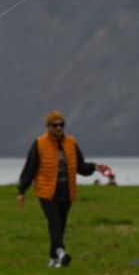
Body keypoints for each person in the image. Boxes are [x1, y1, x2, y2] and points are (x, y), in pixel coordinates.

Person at [17, 110, 97, 267]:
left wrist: (94, 167)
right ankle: (61, 252)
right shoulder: (39, 144)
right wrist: (22, 190)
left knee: (61, 225)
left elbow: (80, 166)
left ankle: (53, 259)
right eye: (55, 125)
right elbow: (30, 168)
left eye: (61, 125)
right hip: (46, 192)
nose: (59, 128)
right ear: (48, 127)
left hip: (66, 192)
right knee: (54, 223)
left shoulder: (71, 143)